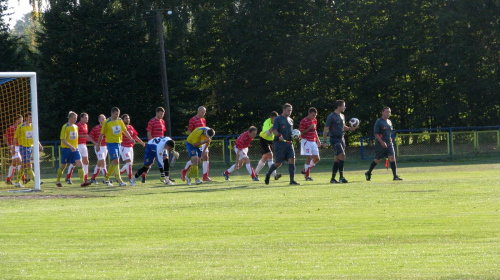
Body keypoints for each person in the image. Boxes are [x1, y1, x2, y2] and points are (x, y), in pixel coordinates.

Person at [97, 107, 135, 187]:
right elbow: (101, 134)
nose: (117, 116)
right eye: (116, 114)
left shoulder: (120, 121)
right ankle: (119, 180)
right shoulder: (107, 122)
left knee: (114, 162)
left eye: (118, 114)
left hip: (118, 144)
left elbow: (125, 131)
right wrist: (98, 144)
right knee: (116, 161)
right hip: (111, 144)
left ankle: (106, 178)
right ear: (112, 113)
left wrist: (131, 138)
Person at [323, 100, 358, 184]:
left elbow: (343, 127)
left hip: (342, 138)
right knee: (342, 155)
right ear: (339, 106)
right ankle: (341, 177)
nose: (344, 107)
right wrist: (324, 141)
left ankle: (332, 179)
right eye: (343, 106)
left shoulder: (342, 116)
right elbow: (325, 129)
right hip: (334, 139)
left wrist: (350, 128)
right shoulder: (332, 116)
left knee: (337, 158)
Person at [264, 103, 300, 185]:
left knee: (292, 160)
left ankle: (292, 181)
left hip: (289, 143)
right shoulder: (278, 119)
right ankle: (268, 174)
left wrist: (296, 137)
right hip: (280, 144)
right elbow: (274, 130)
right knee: (278, 163)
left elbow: (291, 133)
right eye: (288, 110)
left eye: (291, 110)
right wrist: (279, 135)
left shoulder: (291, 120)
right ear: (283, 110)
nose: (290, 112)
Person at [365, 106, 403, 181]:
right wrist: (382, 142)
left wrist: (390, 139)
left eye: (389, 112)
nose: (388, 113)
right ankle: (368, 172)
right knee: (378, 160)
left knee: (392, 158)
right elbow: (376, 134)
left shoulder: (389, 121)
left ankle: (395, 176)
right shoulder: (379, 121)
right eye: (386, 112)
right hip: (380, 144)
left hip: (389, 143)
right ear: (382, 112)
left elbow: (388, 132)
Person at [55, 111, 92, 187]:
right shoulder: (65, 127)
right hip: (66, 149)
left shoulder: (75, 127)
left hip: (75, 149)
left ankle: (82, 182)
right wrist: (70, 146)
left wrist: (74, 147)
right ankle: (58, 181)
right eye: (74, 118)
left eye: (76, 118)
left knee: (80, 163)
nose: (76, 120)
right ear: (70, 118)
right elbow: (63, 139)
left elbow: (76, 138)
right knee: (63, 165)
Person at [13, 112, 44, 188]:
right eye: (30, 118)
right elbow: (15, 138)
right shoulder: (20, 127)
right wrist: (13, 148)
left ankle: (17, 182)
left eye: (32, 118)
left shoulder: (33, 126)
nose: (31, 119)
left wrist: (40, 145)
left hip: (30, 148)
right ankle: (36, 181)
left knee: (24, 165)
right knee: (29, 164)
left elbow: (35, 138)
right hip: (23, 147)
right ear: (26, 118)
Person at [65, 112, 97, 184]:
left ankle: (85, 178)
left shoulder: (86, 125)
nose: (87, 119)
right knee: (74, 162)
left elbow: (86, 136)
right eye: (85, 118)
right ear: (81, 118)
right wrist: (83, 136)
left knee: (86, 161)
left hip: (84, 145)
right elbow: (75, 136)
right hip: (78, 145)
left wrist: (89, 139)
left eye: (87, 118)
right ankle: (68, 177)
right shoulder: (77, 126)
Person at [182, 106, 212, 181]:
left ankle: (205, 176)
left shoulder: (203, 120)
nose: (203, 114)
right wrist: (193, 139)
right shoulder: (193, 119)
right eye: (202, 112)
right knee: (196, 159)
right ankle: (184, 171)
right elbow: (189, 131)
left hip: (203, 140)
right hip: (196, 141)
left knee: (205, 156)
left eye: (204, 112)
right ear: (198, 111)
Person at [142, 107, 167, 183]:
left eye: (163, 114)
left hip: (161, 145)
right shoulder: (152, 121)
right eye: (160, 114)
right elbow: (149, 134)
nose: (162, 115)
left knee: (165, 159)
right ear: (157, 113)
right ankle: (143, 175)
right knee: (148, 164)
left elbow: (162, 134)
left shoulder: (162, 122)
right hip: (153, 146)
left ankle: (165, 177)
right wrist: (154, 143)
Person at [254, 111, 281, 180]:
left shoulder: (276, 122)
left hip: (270, 141)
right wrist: (272, 128)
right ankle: (275, 175)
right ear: (271, 117)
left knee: (264, 158)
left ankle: (254, 174)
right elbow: (267, 133)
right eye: (275, 118)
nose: (276, 120)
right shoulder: (267, 122)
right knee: (270, 156)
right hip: (263, 140)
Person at [119, 114, 146, 182]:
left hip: (130, 147)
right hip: (123, 147)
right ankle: (131, 179)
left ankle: (118, 173)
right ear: (122, 120)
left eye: (128, 118)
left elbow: (135, 136)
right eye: (126, 118)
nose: (127, 119)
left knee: (130, 164)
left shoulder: (130, 127)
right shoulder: (121, 127)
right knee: (128, 162)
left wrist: (141, 142)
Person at [299, 107, 322, 181]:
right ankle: (307, 176)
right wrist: (309, 128)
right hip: (306, 141)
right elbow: (301, 133)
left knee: (317, 158)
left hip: (313, 141)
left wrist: (318, 140)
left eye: (315, 115)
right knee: (308, 158)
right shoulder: (304, 121)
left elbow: (315, 130)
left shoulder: (315, 120)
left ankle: (305, 170)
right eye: (313, 115)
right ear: (309, 114)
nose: (314, 117)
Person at [3, 114, 24, 185]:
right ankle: (23, 178)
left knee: (14, 163)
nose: (22, 121)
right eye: (21, 120)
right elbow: (5, 136)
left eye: (22, 120)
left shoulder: (22, 128)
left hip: (21, 146)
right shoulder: (11, 128)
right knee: (19, 161)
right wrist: (8, 145)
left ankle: (8, 179)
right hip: (13, 146)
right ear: (16, 120)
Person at [89, 114, 108, 184]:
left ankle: (93, 178)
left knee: (99, 163)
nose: (104, 120)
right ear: (99, 120)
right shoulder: (95, 128)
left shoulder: (107, 128)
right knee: (103, 162)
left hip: (105, 147)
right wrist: (95, 143)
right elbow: (90, 137)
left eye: (105, 118)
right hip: (98, 147)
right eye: (102, 119)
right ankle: (107, 179)